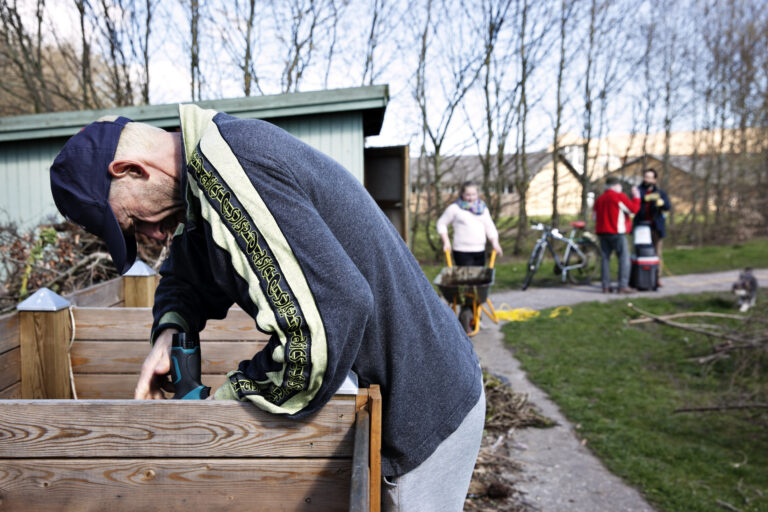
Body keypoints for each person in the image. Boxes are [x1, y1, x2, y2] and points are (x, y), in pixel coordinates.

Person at [49, 108, 485, 511]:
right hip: (409, 394)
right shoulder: (207, 172)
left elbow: (328, 326)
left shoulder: (231, 171)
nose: (155, 235)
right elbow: (186, 273)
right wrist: (169, 333)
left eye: (133, 221)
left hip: (421, 410)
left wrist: (218, 412)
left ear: (131, 170)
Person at [437, 181, 503, 266]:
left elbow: (490, 227)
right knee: (466, 279)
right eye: (468, 195)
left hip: (480, 250)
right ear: (462, 194)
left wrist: (495, 243)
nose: (471, 198)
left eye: (474, 194)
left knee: (478, 278)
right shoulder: (455, 208)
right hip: (461, 251)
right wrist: (446, 241)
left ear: (477, 194)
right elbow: (441, 223)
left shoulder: (483, 209)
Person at [593, 176, 640, 294]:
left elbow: (594, 217)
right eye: (620, 186)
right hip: (616, 232)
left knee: (605, 259)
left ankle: (606, 286)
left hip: (602, 232)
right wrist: (637, 197)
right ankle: (623, 286)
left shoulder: (599, 199)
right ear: (615, 186)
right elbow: (633, 209)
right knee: (624, 259)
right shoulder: (618, 196)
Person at [633, 168, 671, 286]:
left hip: (656, 227)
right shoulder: (638, 191)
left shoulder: (660, 193)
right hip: (641, 227)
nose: (647, 179)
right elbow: (633, 204)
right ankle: (637, 277)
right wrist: (643, 199)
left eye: (650, 177)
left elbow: (668, 207)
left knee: (656, 253)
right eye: (645, 177)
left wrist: (662, 203)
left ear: (654, 179)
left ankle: (656, 277)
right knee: (639, 253)